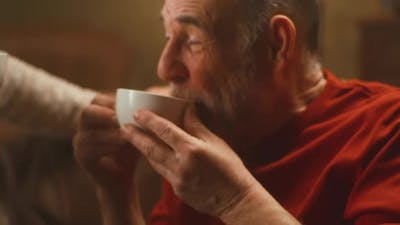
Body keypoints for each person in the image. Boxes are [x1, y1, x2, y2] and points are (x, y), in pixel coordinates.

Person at [73, 0, 400, 225]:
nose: (164, 68)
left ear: (277, 44)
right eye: (168, 36)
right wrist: (116, 193)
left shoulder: (386, 128)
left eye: (193, 40)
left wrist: (236, 202)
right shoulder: (212, 125)